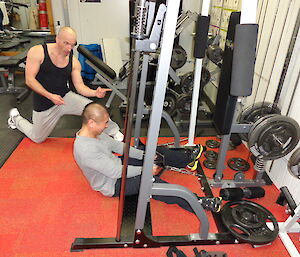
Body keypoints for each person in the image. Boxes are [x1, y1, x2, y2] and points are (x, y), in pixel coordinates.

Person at [73, 102, 222, 213]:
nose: (107, 126)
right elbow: (115, 172)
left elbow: (119, 147)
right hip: (112, 184)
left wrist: (146, 155)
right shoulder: (85, 149)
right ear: (91, 123)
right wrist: (145, 169)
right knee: (149, 181)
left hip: (116, 165)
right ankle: (199, 202)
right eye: (105, 123)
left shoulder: (95, 133)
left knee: (151, 152)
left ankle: (187, 159)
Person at [8, 26, 123, 143]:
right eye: (66, 43)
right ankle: (16, 118)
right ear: (57, 39)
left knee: (94, 110)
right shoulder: (38, 52)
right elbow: (30, 80)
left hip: (65, 98)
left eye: (72, 45)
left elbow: (80, 87)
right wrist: (50, 96)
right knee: (37, 138)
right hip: (44, 102)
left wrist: (95, 92)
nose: (69, 48)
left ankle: (114, 131)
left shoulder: (74, 62)